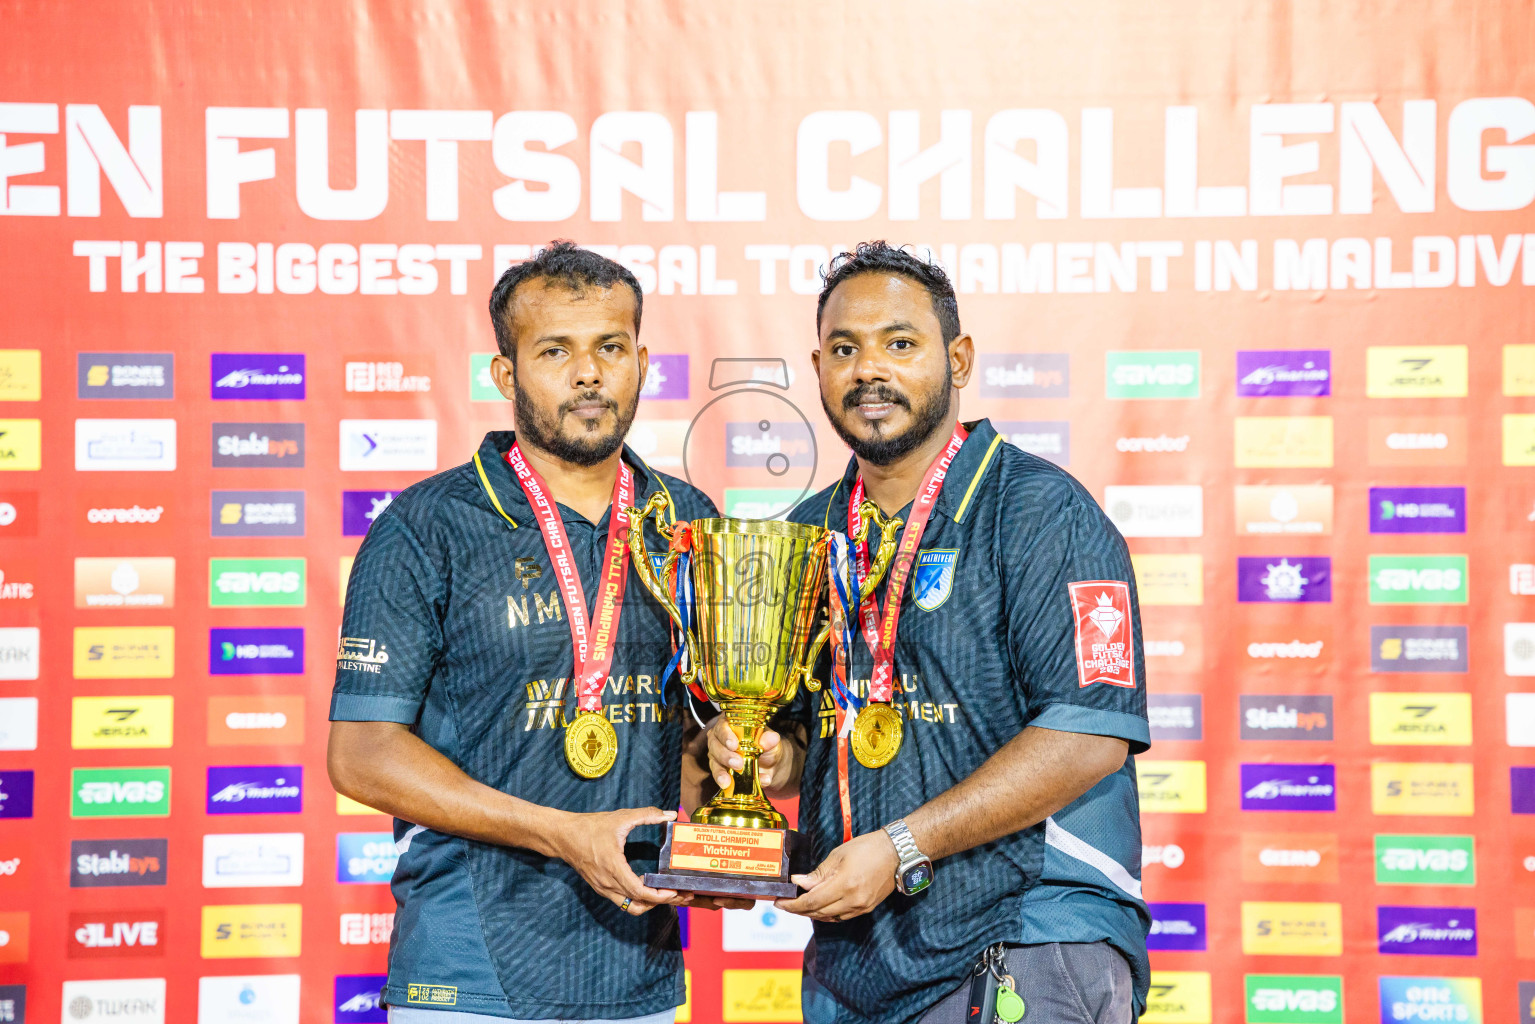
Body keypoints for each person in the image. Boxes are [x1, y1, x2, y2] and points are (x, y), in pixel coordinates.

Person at [699, 241, 1151, 1024]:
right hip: (853, 961)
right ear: (817, 367)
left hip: (1024, 942)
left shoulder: (1040, 512)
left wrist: (903, 845)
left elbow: (1087, 738)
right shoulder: (808, 536)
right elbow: (816, 742)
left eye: (899, 344)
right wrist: (765, 759)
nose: (869, 369)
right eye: (845, 349)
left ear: (959, 356)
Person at [329, 241, 742, 1024]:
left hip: (639, 974)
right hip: (470, 975)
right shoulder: (427, 526)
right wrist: (562, 834)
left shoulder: (688, 521)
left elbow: (695, 736)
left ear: (642, 361)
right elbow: (363, 754)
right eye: (555, 350)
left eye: (609, 348)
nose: (588, 373)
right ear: (504, 373)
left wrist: (720, 813)